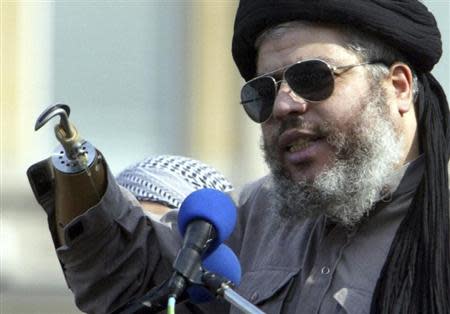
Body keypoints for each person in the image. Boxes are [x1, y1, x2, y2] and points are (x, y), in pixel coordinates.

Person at [27, 1, 449, 313]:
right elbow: (139, 280)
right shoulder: (256, 216)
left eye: (312, 77)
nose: (285, 106)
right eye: (264, 92)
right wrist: (82, 176)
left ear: (396, 87)